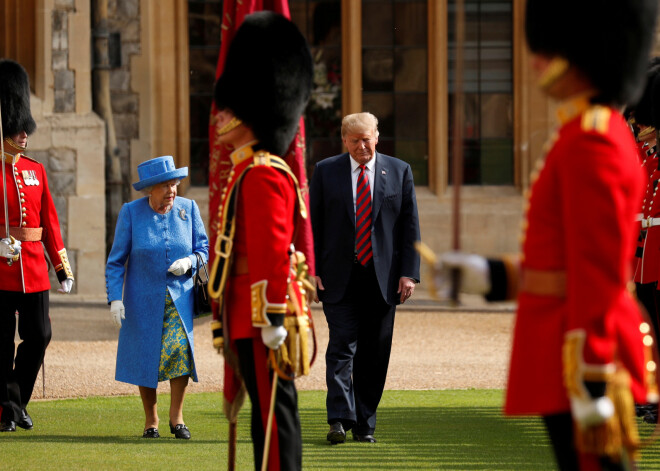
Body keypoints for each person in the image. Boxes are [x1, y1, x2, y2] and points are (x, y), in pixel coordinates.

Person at [432, 1, 659, 469]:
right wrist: (486, 276)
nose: (536, 60)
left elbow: (595, 274)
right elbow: (557, 262)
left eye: (549, 48)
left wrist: (592, 380)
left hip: (581, 355)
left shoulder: (593, 140)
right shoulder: (581, 134)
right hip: (562, 344)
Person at [209, 11, 313, 470]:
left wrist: (271, 315)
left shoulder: (262, 173)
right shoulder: (246, 170)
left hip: (261, 317)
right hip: (246, 316)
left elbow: (271, 251)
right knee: (265, 420)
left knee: (276, 418)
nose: (221, 118)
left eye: (230, 110)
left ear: (251, 113)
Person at [309, 111, 421, 444]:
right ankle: (339, 420)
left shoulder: (399, 171)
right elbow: (312, 226)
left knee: (374, 353)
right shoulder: (326, 172)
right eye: (355, 140)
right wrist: (311, 271)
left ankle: (365, 423)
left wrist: (409, 273)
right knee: (341, 348)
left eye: (367, 139)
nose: (362, 146)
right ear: (344, 140)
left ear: (377, 137)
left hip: (383, 280)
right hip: (337, 278)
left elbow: (410, 226)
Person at [105, 155, 209, 439]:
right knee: (146, 356)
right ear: (150, 189)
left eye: (173, 184)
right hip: (142, 301)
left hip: (180, 298)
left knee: (179, 353)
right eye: (164, 186)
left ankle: (178, 419)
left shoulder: (188, 208)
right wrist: (115, 299)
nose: (171, 191)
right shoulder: (131, 212)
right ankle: (152, 420)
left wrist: (190, 262)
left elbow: (204, 248)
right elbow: (116, 261)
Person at [0, 59, 74, 433]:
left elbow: (50, 224)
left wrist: (61, 267)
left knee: (40, 335)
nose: (24, 133)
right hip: (0, 268)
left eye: (25, 127)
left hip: (32, 268)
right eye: (17, 127)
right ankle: (9, 411)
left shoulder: (36, 169)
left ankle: (12, 404)